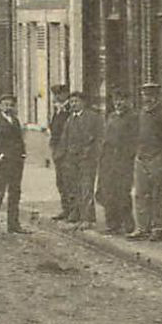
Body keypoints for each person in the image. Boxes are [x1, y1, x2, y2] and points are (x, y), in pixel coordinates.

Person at [130, 81, 162, 242]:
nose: (148, 99)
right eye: (145, 95)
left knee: (157, 193)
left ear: (157, 96)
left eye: (151, 95)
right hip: (141, 158)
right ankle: (142, 227)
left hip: (156, 159)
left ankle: (159, 228)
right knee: (140, 194)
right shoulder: (140, 114)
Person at [0, 92, 28, 234]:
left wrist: (22, 153)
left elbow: (19, 139)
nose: (8, 107)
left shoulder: (15, 121)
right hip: (2, 163)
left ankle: (13, 224)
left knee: (15, 193)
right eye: (5, 104)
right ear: (0, 106)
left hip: (16, 162)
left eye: (11, 105)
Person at [95, 90, 138, 236]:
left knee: (122, 192)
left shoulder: (133, 118)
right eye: (116, 100)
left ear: (128, 101)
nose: (118, 103)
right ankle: (112, 224)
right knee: (108, 192)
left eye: (121, 100)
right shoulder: (111, 117)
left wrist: (129, 155)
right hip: (108, 160)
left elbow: (135, 140)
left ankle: (128, 224)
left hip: (124, 160)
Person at [60, 91, 103, 228]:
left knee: (86, 188)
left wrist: (91, 153)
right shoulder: (70, 119)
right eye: (71, 102)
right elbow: (64, 139)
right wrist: (62, 156)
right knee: (74, 187)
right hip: (72, 159)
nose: (73, 104)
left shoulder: (93, 118)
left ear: (83, 102)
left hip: (87, 159)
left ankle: (88, 218)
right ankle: (77, 214)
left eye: (76, 101)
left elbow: (99, 138)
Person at [47, 84, 74, 222]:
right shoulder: (57, 110)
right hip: (57, 150)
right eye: (55, 94)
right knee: (61, 181)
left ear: (66, 94)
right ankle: (66, 209)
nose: (57, 97)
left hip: (67, 151)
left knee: (69, 181)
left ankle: (74, 211)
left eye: (59, 94)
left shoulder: (70, 110)